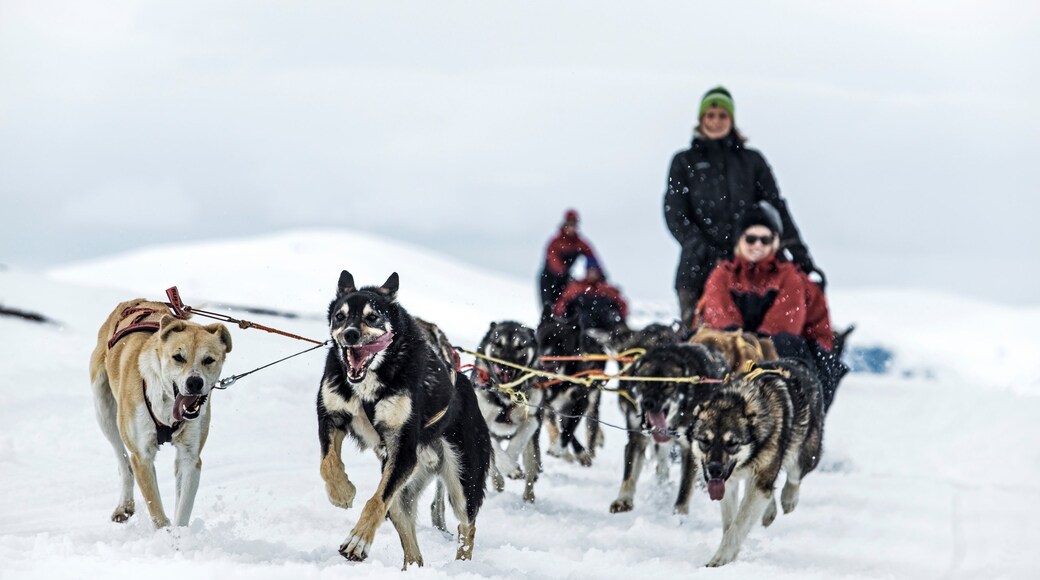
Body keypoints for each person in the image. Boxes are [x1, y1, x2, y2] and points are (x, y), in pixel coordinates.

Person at [663, 86, 821, 329]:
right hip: (697, 268)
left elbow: (776, 208)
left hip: (755, 268)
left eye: (722, 115)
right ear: (701, 119)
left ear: (732, 120)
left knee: (766, 342)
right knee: (699, 341)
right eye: (710, 115)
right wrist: (700, 247)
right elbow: (675, 213)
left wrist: (798, 253)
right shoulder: (684, 162)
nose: (716, 122)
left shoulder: (752, 161)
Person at [697, 202, 847, 410]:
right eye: (751, 239)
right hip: (741, 341)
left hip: (792, 347)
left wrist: (750, 347)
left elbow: (784, 323)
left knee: (782, 346)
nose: (757, 245)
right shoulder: (722, 275)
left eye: (765, 239)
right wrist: (736, 342)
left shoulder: (790, 278)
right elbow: (719, 314)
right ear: (739, 240)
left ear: (775, 242)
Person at [539, 209, 603, 311]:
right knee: (549, 308)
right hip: (549, 279)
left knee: (566, 305)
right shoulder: (555, 243)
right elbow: (553, 260)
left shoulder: (580, 243)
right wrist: (563, 272)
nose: (572, 228)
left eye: (574, 225)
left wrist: (599, 275)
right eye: (570, 225)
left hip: (565, 279)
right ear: (565, 225)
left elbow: (592, 257)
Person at [553, 266, 629, 336]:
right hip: (582, 327)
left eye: (594, 272)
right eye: (590, 271)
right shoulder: (576, 287)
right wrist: (563, 316)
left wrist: (621, 317)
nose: (592, 275)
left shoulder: (606, 289)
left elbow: (622, 304)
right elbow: (561, 304)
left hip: (606, 327)